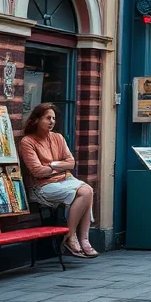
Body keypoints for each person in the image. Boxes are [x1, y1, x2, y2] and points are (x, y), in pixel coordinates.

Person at [18, 104, 97, 259]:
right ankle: (73, 237)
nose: (52, 121)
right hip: (42, 186)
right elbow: (37, 171)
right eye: (48, 118)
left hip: (65, 180)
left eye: (53, 118)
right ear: (36, 120)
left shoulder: (58, 138)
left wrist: (51, 166)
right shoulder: (27, 142)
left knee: (87, 190)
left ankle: (80, 238)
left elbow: (71, 163)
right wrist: (59, 166)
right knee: (85, 192)